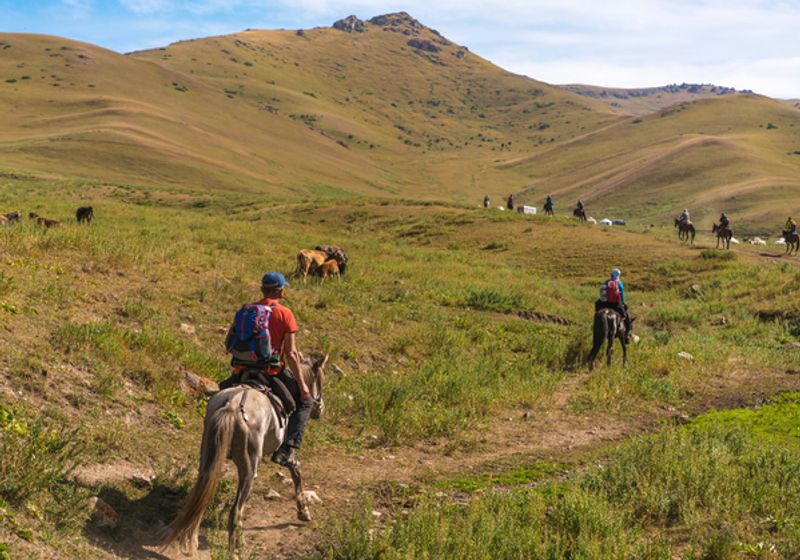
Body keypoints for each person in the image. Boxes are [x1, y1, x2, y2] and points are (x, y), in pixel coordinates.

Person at [219, 272, 312, 468]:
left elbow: (230, 342)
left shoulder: (245, 310)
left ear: (262, 289)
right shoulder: (285, 314)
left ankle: (222, 442)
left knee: (219, 398)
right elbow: (292, 354)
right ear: (281, 291)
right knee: (305, 402)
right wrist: (303, 387)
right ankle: (286, 450)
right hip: (271, 373)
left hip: (241, 371)